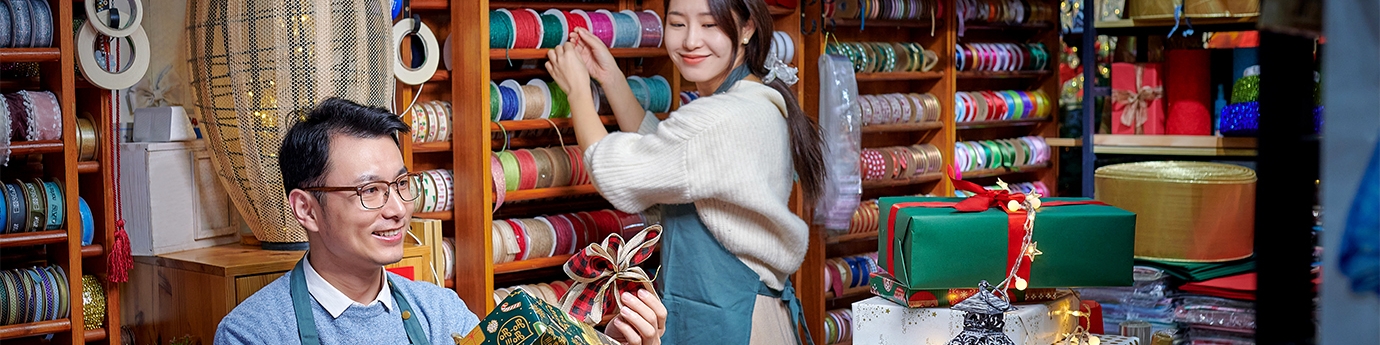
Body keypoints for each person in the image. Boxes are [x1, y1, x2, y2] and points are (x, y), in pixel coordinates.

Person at [213, 98, 666, 344]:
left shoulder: (440, 312)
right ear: (306, 208)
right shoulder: (253, 334)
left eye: (401, 184)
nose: (396, 208)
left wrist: (610, 343)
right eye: (370, 191)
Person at [544, 0, 824, 343]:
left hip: (732, 323)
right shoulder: (755, 99)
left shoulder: (722, 118)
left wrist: (577, 91)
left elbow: (615, 173)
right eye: (677, 24)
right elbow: (676, 159)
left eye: (709, 25)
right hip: (748, 314)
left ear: (747, 28)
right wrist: (611, 78)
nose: (691, 40)